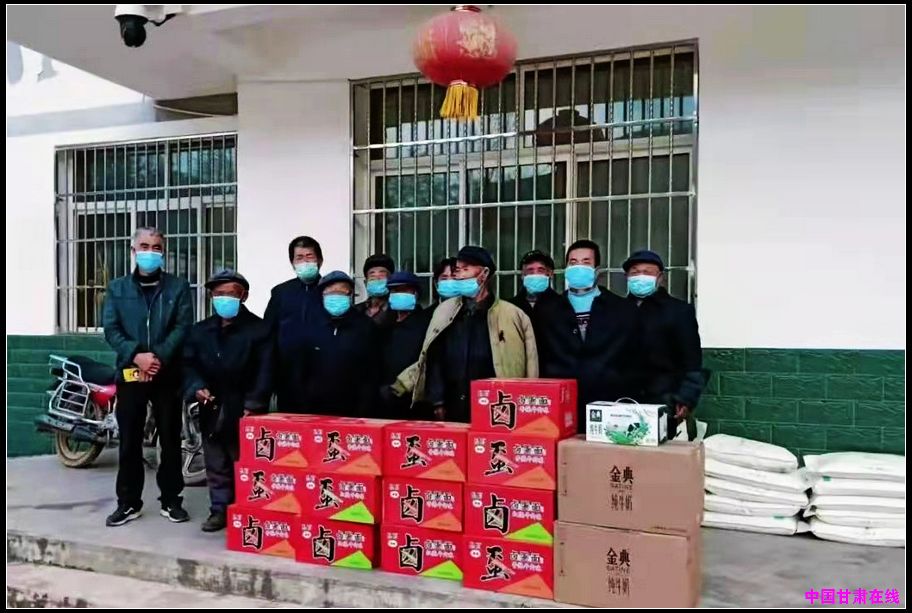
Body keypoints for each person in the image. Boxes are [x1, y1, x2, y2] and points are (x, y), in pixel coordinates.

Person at [101, 227, 194, 527]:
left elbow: (182, 326)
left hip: (166, 373)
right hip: (130, 372)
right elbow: (111, 329)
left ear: (163, 252)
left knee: (170, 438)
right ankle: (128, 502)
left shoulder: (178, 287)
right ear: (133, 251)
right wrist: (137, 355)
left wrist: (157, 359)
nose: (150, 252)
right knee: (130, 440)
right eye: (144, 246)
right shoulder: (117, 288)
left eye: (156, 247)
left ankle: (171, 500)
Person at [391, 246, 538, 422]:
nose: (459, 275)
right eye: (457, 270)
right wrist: (437, 401)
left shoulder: (514, 315)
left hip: (500, 407)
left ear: (484, 274)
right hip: (452, 405)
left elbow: (531, 366)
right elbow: (434, 358)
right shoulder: (445, 311)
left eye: (465, 269)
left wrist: (528, 407)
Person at [183, 270, 272, 532]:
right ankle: (219, 510)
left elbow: (267, 369)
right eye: (219, 294)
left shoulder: (260, 329)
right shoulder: (201, 330)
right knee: (216, 461)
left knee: (245, 462)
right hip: (211, 404)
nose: (224, 298)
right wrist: (197, 387)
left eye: (231, 293)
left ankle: (246, 511)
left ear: (243, 296)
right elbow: (188, 364)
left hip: (245, 406)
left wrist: (255, 403)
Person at [534, 239, 637, 427]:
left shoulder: (621, 308)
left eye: (586, 262)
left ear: (597, 270)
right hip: (562, 404)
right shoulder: (547, 310)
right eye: (573, 262)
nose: (578, 267)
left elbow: (632, 356)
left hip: (609, 404)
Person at [622, 250, 704, 439]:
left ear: (660, 277)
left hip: (664, 399)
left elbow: (692, 361)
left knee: (660, 451)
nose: (641, 276)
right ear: (627, 277)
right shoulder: (616, 309)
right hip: (623, 400)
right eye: (635, 272)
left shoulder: (679, 311)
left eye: (647, 272)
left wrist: (685, 398)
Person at [296, 271, 379, 416]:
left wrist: (365, 409)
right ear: (322, 295)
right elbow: (301, 369)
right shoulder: (310, 325)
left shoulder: (365, 326)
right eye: (331, 293)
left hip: (354, 409)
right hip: (315, 409)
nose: (336, 297)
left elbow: (372, 372)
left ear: (350, 295)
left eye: (342, 293)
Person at [263, 235, 324, 412]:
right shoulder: (281, 292)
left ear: (320, 260)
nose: (305, 262)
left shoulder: (330, 290)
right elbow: (269, 332)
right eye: (299, 258)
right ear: (292, 263)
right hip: (287, 374)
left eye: (309, 256)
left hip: (323, 375)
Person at [378, 271, 432, 419]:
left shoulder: (426, 324)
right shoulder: (384, 325)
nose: (399, 295)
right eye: (395, 291)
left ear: (415, 294)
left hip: (415, 401)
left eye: (405, 290)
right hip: (385, 400)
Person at [508, 249, 559, 319]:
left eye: (540, 270)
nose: (535, 274)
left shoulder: (561, 305)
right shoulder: (511, 307)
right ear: (522, 275)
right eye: (530, 270)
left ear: (550, 274)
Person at [354, 253, 396, 329]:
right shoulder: (356, 311)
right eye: (372, 277)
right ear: (365, 283)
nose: (377, 279)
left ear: (391, 281)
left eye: (382, 276)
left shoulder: (398, 311)